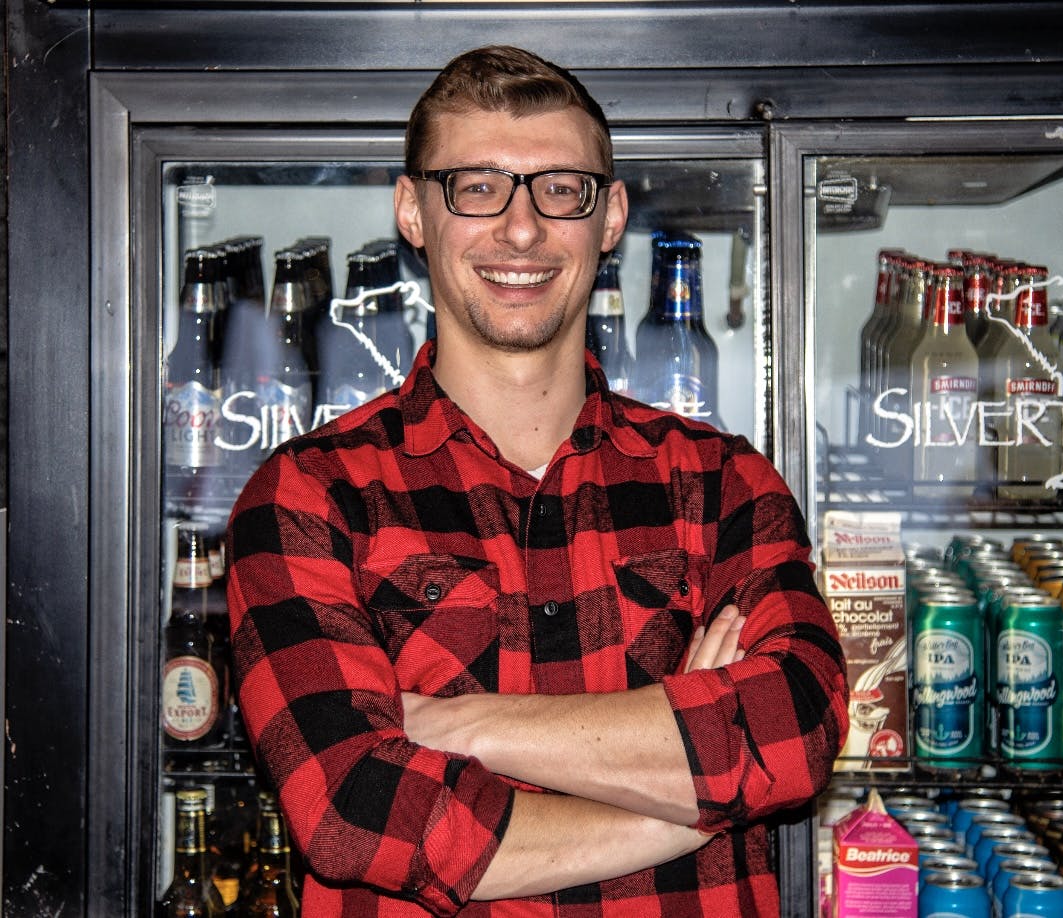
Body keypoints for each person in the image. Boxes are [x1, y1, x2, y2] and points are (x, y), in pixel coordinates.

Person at [226, 45, 848, 916]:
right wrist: (698, 795)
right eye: (477, 186)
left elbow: (798, 727)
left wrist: (453, 723)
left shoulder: (722, 482)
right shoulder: (306, 498)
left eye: (562, 189)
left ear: (611, 215)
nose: (522, 230)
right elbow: (355, 810)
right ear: (413, 210)